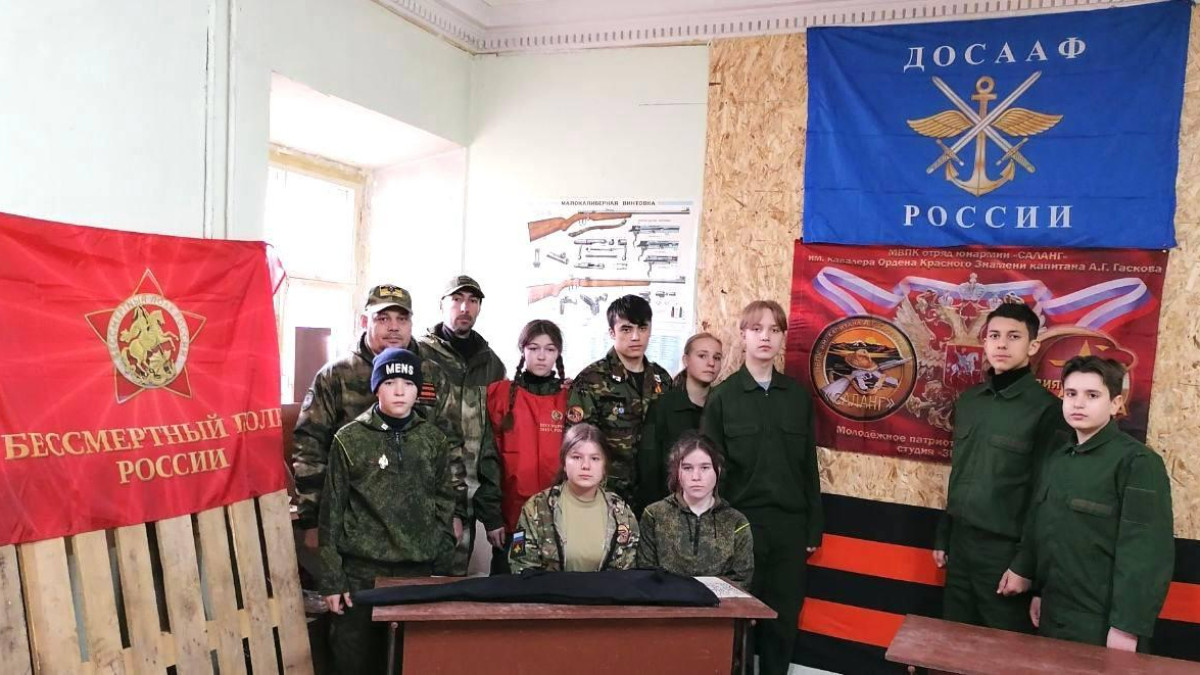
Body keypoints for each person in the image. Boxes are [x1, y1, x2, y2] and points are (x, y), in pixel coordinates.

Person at [999, 356, 1174, 651]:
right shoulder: (1058, 457)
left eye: (1092, 395)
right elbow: (1045, 528)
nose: (1078, 403)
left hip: (1101, 623)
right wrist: (1039, 591)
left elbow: (1145, 554)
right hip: (1053, 612)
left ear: (1115, 404)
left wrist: (1126, 628)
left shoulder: (1137, 463)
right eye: (1071, 394)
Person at [317, 348, 462, 675]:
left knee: (411, 662)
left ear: (418, 390)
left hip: (417, 572)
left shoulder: (433, 440)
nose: (399, 391)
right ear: (376, 388)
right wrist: (332, 580)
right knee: (353, 662)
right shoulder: (349, 439)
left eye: (408, 384)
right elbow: (331, 513)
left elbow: (444, 504)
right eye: (390, 382)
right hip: (360, 575)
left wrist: (441, 571)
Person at [933, 301, 1071, 633]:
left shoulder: (1047, 411)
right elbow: (960, 473)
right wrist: (944, 534)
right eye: (994, 335)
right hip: (960, 547)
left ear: (1032, 346)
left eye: (1014, 336)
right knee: (953, 643)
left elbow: (1045, 496)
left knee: (1002, 650)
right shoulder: (970, 401)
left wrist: (1025, 566)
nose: (1002, 344)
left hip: (1005, 553)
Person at [701, 300, 822, 675]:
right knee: (739, 621)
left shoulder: (797, 397)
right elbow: (709, 473)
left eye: (774, 330)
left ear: (783, 337)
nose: (765, 337)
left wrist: (813, 526)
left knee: (782, 621)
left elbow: (808, 466)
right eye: (756, 329)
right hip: (741, 526)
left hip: (789, 527)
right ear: (743, 336)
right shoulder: (723, 398)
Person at [292, 285, 440, 542]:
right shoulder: (336, 375)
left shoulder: (431, 373)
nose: (393, 327)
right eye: (383, 319)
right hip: (353, 520)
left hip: (417, 521)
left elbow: (450, 442)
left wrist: (455, 513)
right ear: (364, 321)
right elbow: (310, 447)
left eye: (401, 319)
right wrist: (312, 518)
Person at [418, 274, 506, 575]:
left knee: (452, 585)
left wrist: (491, 510)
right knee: (410, 584)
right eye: (456, 299)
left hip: (467, 499)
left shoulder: (492, 366)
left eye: (472, 300)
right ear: (442, 305)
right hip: (421, 496)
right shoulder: (418, 355)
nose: (464, 308)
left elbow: (493, 442)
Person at [566, 295, 673, 505]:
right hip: (606, 495)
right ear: (612, 332)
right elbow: (577, 443)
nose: (635, 336)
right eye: (626, 329)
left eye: (642, 328)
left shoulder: (662, 379)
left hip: (655, 494)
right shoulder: (592, 379)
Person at [486, 319, 570, 573]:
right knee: (511, 581)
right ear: (522, 350)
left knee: (555, 587)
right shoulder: (500, 395)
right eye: (534, 348)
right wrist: (492, 517)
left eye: (549, 349)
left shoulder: (571, 397)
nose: (541, 356)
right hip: (514, 521)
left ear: (558, 353)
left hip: (560, 521)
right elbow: (488, 460)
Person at [508, 423, 640, 573]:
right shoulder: (535, 507)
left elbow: (628, 572)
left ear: (604, 466)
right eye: (576, 457)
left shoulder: (621, 512)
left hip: (606, 588)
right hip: (547, 588)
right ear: (564, 463)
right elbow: (519, 563)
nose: (585, 466)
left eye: (595, 458)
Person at [637, 431, 754, 590]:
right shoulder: (654, 515)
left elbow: (742, 580)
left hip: (719, 603)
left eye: (705, 468)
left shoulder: (736, 522)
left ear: (718, 470)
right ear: (676, 472)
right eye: (687, 468)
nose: (696, 476)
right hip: (666, 601)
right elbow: (645, 574)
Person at [637, 332, 723, 510]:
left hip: (714, 509)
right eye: (702, 356)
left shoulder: (723, 405)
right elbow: (649, 465)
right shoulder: (663, 406)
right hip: (670, 507)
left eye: (717, 357)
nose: (711, 363)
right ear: (686, 360)